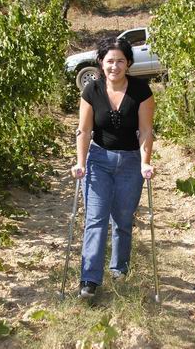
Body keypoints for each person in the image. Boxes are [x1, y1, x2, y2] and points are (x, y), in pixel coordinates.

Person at [71, 36, 155, 299]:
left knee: (122, 220)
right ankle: (89, 280)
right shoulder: (91, 91)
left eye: (120, 61)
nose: (114, 66)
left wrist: (145, 162)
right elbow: (84, 131)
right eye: (109, 61)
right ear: (100, 62)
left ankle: (119, 268)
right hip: (99, 161)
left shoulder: (141, 91)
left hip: (130, 162)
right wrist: (80, 162)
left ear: (128, 63)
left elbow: (145, 131)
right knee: (95, 219)